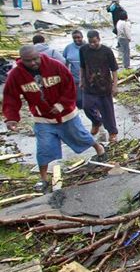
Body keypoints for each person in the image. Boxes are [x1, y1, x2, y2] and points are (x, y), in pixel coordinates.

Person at [3, 45, 107, 191]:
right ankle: (44, 179)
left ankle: (100, 149)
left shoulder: (55, 66)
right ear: (21, 60)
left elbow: (70, 86)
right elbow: (10, 97)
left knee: (81, 136)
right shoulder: (16, 75)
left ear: (39, 55)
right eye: (28, 61)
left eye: (35, 59)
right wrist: (11, 117)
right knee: (44, 148)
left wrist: (61, 104)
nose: (33, 63)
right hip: (42, 118)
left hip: (66, 114)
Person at [80, 30, 119, 143]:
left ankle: (112, 133)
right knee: (87, 107)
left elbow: (114, 69)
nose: (92, 44)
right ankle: (97, 122)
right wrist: (81, 80)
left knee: (108, 111)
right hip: (89, 85)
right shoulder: (83, 50)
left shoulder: (107, 51)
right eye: (90, 42)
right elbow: (82, 66)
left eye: (95, 42)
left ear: (99, 39)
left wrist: (115, 85)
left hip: (104, 86)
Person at [63, 30, 85, 108]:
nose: (76, 39)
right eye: (74, 38)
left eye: (78, 37)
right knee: (78, 100)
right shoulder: (68, 48)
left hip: (87, 79)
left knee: (89, 101)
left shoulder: (88, 47)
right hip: (75, 79)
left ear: (82, 37)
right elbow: (65, 62)